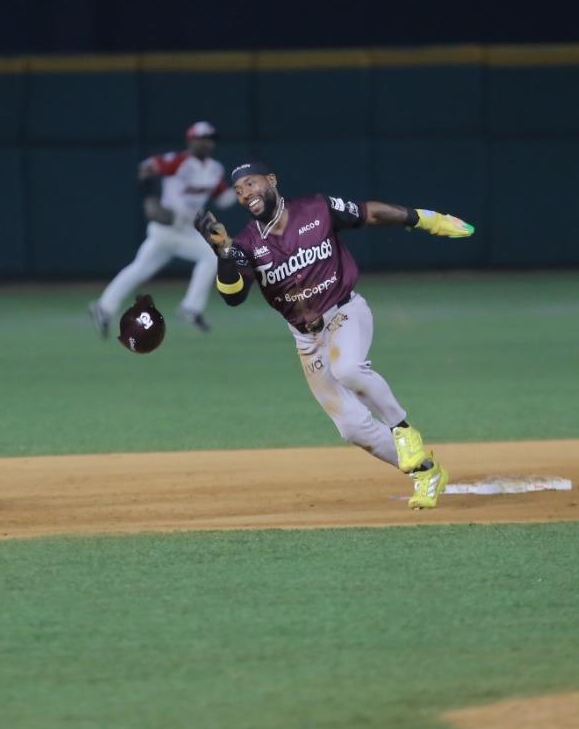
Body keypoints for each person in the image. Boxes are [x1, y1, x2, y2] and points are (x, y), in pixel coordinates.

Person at [194, 162, 475, 509]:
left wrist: (425, 219)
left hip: (345, 312)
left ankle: (403, 430)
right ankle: (427, 472)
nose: (245, 194)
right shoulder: (248, 244)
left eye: (250, 184)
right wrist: (222, 253)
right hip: (307, 340)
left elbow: (369, 213)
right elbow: (233, 296)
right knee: (352, 428)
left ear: (271, 181)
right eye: (238, 191)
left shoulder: (316, 209)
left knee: (349, 369)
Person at [90, 121, 236, 335]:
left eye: (209, 139)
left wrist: (243, 191)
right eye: (200, 139)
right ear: (190, 141)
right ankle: (106, 307)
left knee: (210, 256)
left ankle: (104, 307)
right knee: (142, 269)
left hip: (187, 230)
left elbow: (223, 199)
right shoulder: (177, 161)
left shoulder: (215, 169)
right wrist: (150, 198)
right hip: (166, 227)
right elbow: (146, 168)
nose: (205, 143)